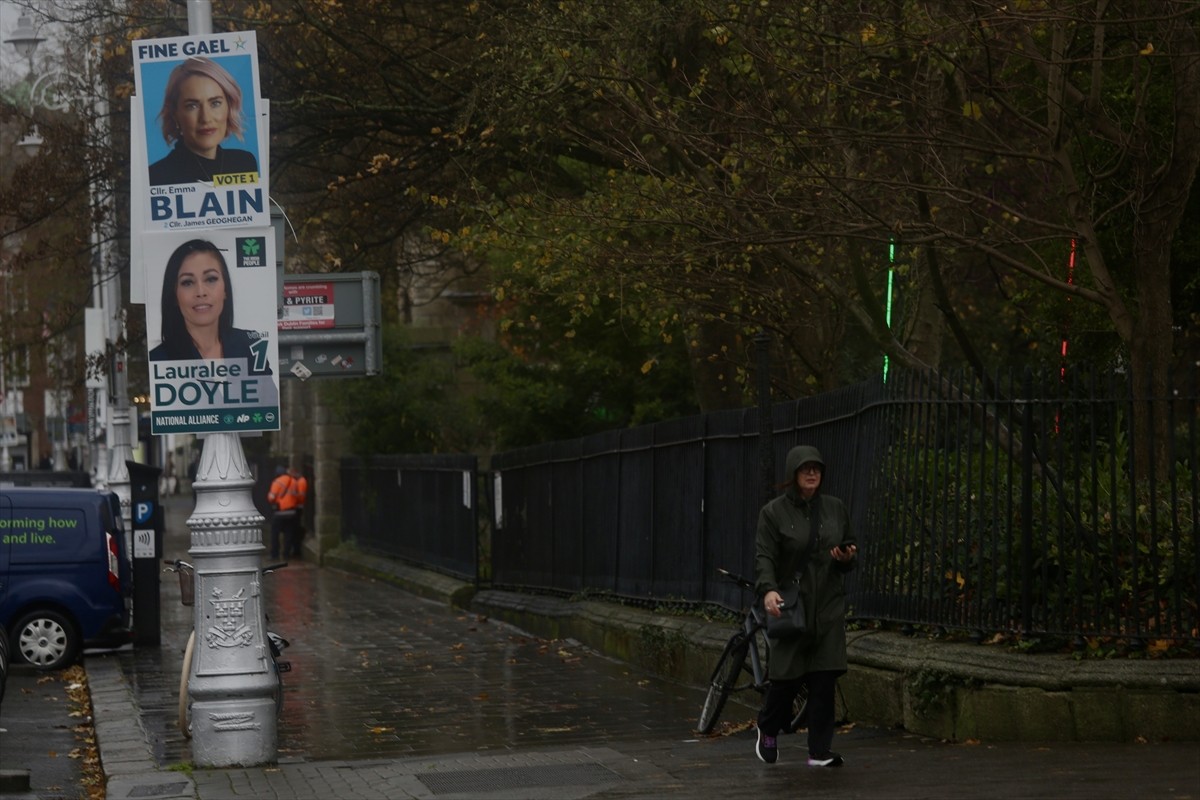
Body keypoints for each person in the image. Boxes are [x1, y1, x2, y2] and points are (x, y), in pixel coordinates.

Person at [754, 444, 858, 767]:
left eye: (816, 468)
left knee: (824, 680)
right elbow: (765, 557)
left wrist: (845, 558)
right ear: (793, 474)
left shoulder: (835, 508)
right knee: (785, 681)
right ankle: (768, 728)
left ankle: (819, 751)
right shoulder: (773, 513)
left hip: (827, 607)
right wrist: (769, 590)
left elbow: (848, 549)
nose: (812, 473)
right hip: (793, 607)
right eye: (804, 469)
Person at [149, 239, 272, 372]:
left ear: (225, 290)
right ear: (174, 296)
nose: (201, 292)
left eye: (211, 279)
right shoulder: (158, 359)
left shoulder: (250, 345)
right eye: (187, 282)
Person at [148, 56, 259, 185]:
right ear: (175, 114)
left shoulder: (244, 163)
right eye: (192, 106)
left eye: (215, 103)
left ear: (229, 107)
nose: (205, 118)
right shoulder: (156, 177)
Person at [267, 464, 308, 560]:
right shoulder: (294, 481)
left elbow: (271, 498)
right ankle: (286, 554)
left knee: (275, 533)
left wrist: (274, 500)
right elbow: (298, 496)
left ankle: (275, 554)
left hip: (280, 513)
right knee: (289, 533)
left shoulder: (276, 482)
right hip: (292, 512)